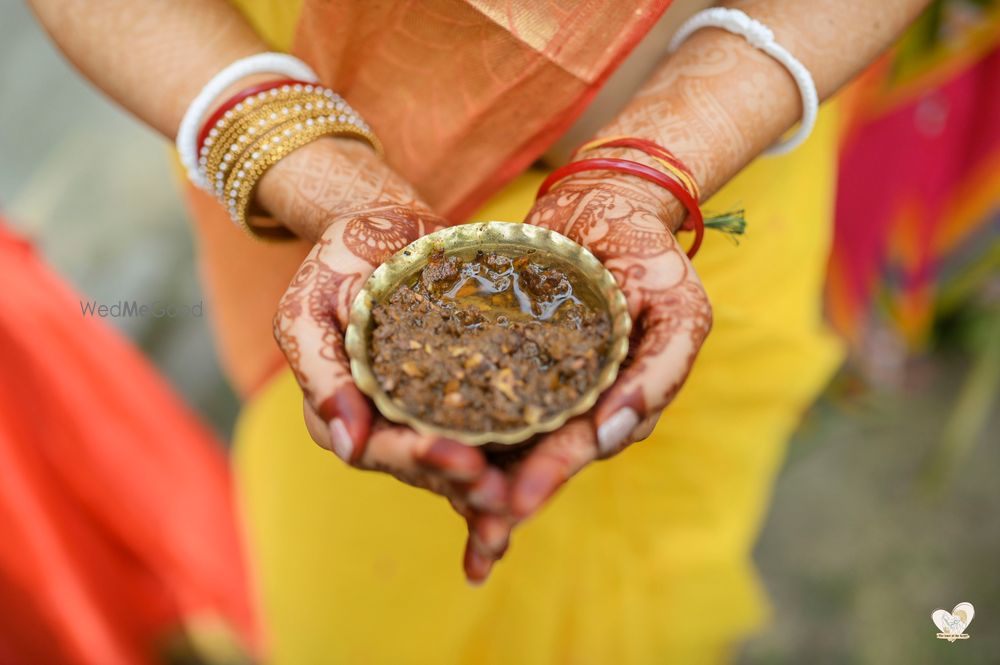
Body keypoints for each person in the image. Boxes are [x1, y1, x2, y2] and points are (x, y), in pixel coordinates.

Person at [28, 0, 930, 662]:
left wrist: (658, 162)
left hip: (711, 175)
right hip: (313, 189)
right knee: (368, 611)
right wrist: (305, 167)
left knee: (651, 568)